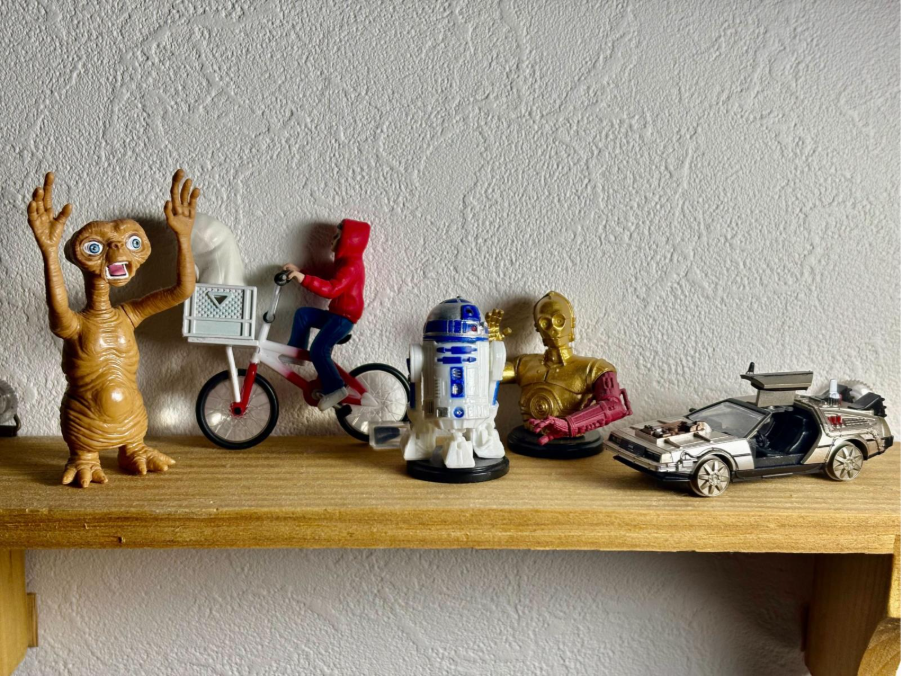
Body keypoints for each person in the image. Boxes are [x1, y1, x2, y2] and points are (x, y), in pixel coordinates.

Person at [283, 219, 370, 410]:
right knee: (304, 314)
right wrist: (301, 272)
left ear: (349, 241)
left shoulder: (351, 266)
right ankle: (296, 352)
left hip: (344, 318)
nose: (332, 239)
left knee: (319, 350)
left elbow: (331, 289)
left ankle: (336, 388)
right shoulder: (343, 263)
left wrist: (303, 279)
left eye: (337, 236)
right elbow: (326, 278)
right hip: (336, 314)